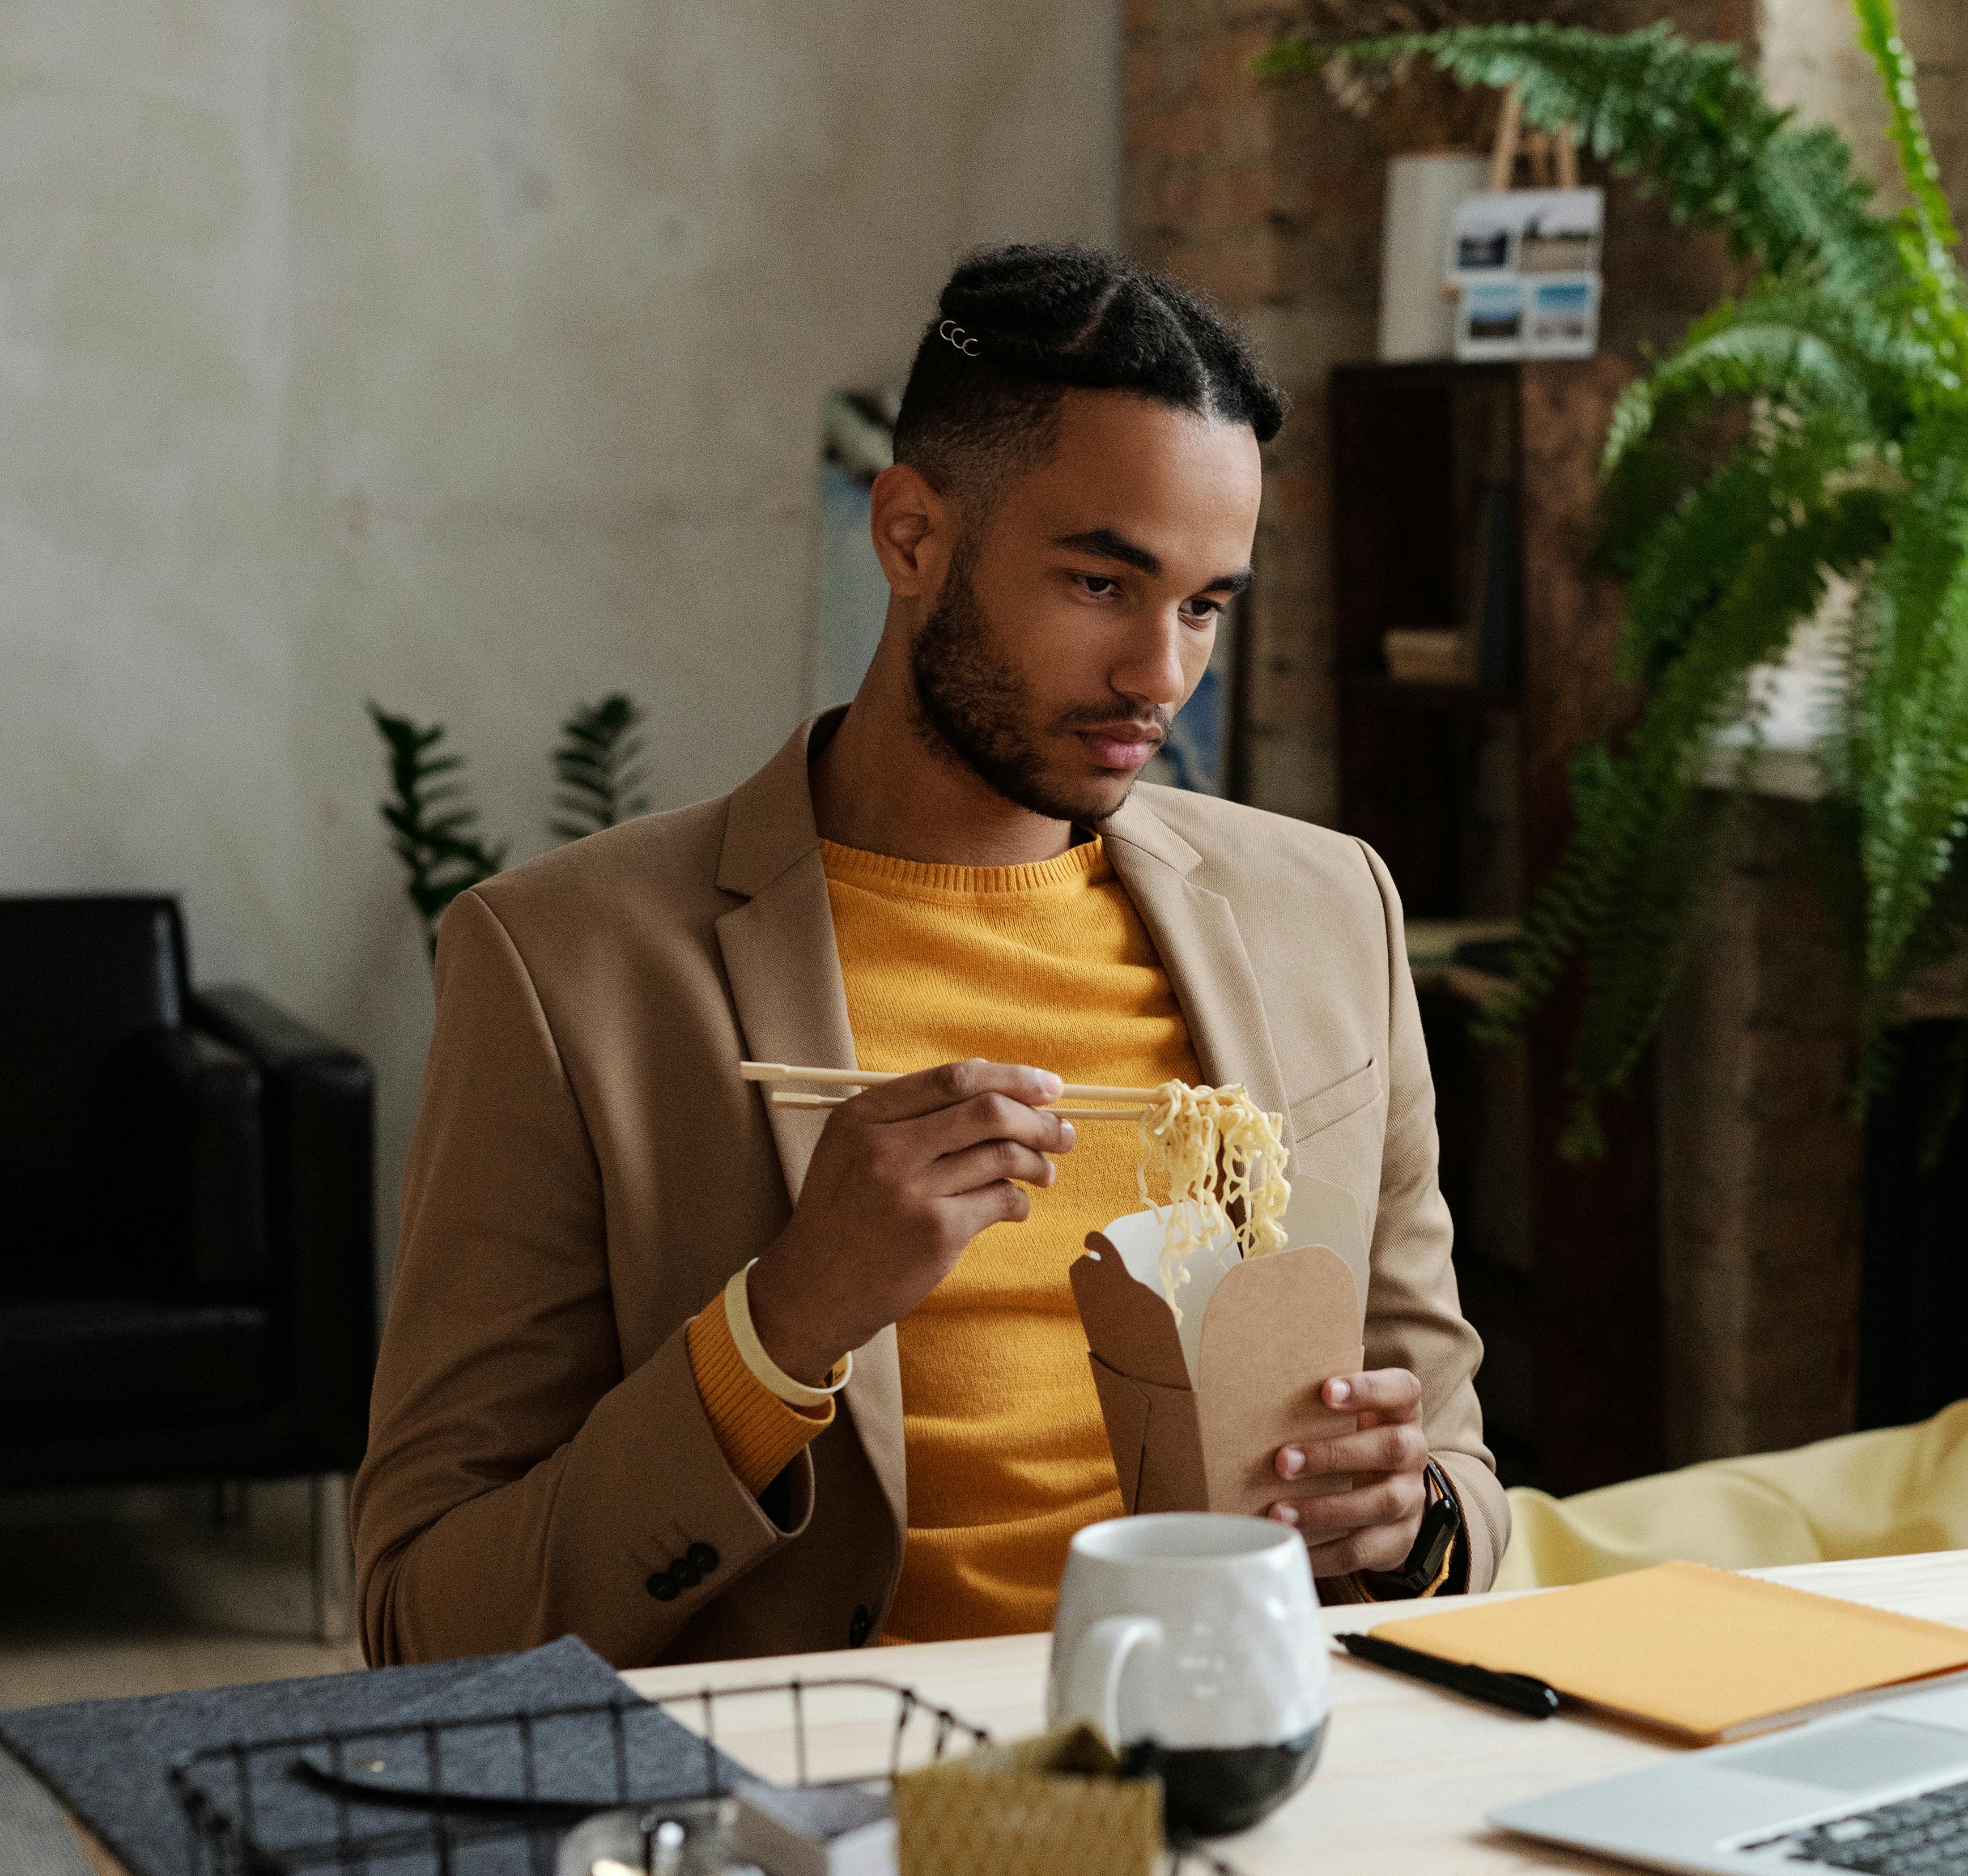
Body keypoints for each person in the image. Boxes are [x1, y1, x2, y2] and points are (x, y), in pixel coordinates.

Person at [353, 244, 1502, 1666]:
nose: (1161, 675)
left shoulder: (1330, 912)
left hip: (1251, 1737)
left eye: (1206, 605)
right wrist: (780, 1324)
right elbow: (424, 1618)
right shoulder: (566, 969)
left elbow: (1456, 1472)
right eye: (1102, 582)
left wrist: (1409, 1521)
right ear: (909, 536)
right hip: (840, 1763)